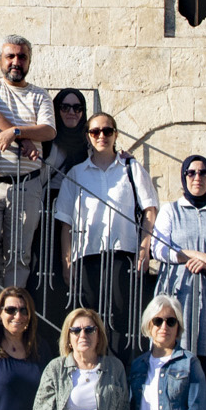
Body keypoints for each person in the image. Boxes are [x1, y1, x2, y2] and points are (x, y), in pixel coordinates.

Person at [54, 114, 159, 363]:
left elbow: (150, 210)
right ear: (88, 136)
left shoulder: (131, 170)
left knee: (123, 318)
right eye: (95, 132)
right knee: (91, 319)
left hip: (123, 254)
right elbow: (65, 220)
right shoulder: (77, 174)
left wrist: (145, 246)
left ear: (115, 134)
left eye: (107, 131)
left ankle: (121, 370)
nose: (101, 136)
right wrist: (67, 261)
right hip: (87, 255)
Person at [0, 35, 56, 295]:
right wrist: (27, 140)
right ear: (0, 60)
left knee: (19, 253)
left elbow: (49, 130)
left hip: (26, 185)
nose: (16, 62)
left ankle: (11, 310)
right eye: (10, 56)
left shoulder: (40, 96)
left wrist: (16, 134)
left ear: (29, 61)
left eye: (22, 57)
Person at [151, 156, 206, 359]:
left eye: (202, 172)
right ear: (184, 177)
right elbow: (158, 249)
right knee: (173, 344)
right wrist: (195, 255)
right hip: (179, 289)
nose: (197, 177)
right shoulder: (170, 211)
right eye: (191, 173)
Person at [31, 88, 94, 327]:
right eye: (65, 107)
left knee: (73, 270)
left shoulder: (88, 142)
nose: (71, 112)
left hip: (79, 211)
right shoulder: (48, 140)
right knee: (45, 267)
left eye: (77, 108)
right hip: (48, 207)